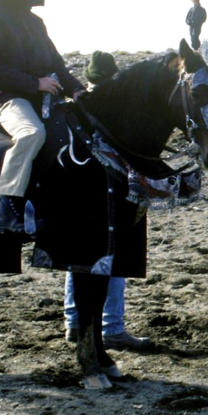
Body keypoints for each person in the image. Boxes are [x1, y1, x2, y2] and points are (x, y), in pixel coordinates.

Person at [0, 0, 86, 236]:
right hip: (1, 97)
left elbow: (57, 66)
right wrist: (34, 83)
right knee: (31, 133)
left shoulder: (35, 22)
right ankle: (7, 207)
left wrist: (79, 91)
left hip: (36, 94)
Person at [63, 51, 151, 350]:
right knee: (111, 259)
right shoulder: (115, 112)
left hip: (80, 196)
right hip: (107, 195)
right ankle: (110, 326)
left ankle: (75, 322)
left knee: (79, 259)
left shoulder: (74, 110)